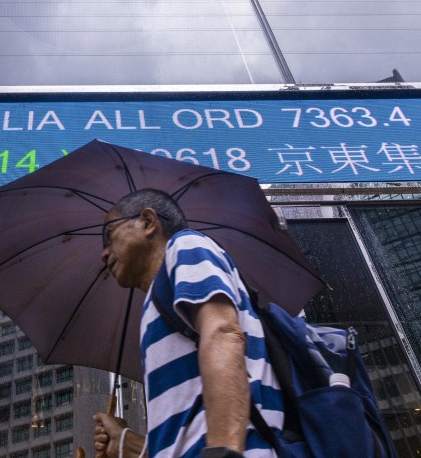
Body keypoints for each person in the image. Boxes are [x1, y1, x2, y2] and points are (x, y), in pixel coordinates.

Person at [93, 189, 281, 458]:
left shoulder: (185, 246)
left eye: (108, 236)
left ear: (148, 222)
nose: (104, 253)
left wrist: (223, 453)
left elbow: (223, 333)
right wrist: (128, 446)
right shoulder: (156, 303)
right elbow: (187, 435)